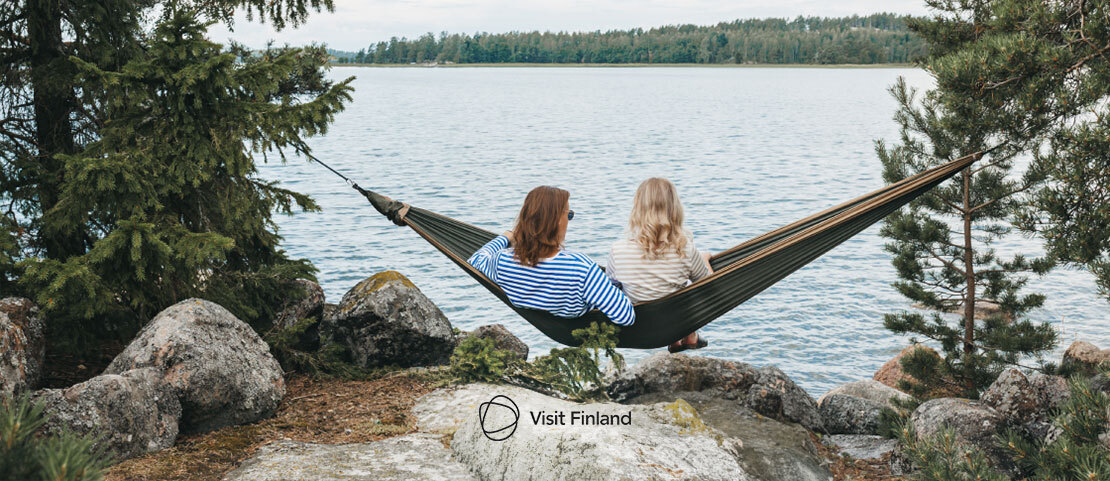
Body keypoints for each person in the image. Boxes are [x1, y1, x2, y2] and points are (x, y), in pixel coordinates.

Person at [467, 186, 635, 326]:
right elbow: (625, 316)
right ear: (557, 221)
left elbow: (475, 260)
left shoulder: (502, 261)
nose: (569, 221)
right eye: (569, 215)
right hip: (579, 319)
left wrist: (506, 237)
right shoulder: (580, 268)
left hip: (546, 318)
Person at [606, 178, 713, 352]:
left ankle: (682, 338)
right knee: (685, 285)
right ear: (674, 209)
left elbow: (612, 289)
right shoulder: (685, 248)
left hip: (638, 326)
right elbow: (708, 285)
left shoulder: (618, 250)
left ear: (638, 209)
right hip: (675, 323)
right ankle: (688, 335)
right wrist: (705, 260)